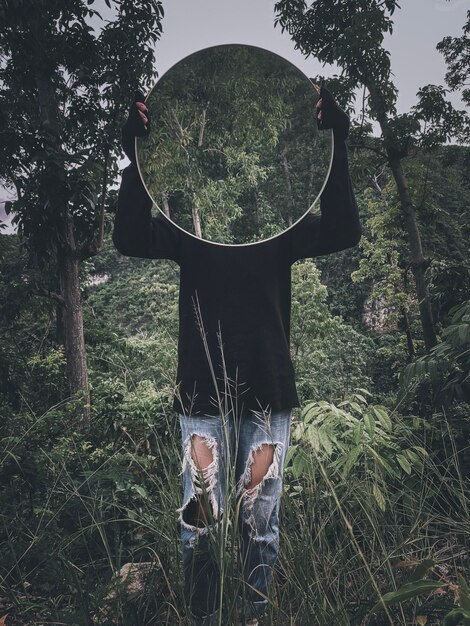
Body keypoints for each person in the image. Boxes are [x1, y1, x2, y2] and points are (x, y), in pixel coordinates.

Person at [112, 80, 361, 626]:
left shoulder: (280, 230)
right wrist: (133, 155)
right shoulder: (187, 234)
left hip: (268, 395)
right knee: (199, 523)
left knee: (260, 526)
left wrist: (338, 139)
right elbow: (129, 237)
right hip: (202, 395)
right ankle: (204, 618)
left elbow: (345, 229)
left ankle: (252, 618)